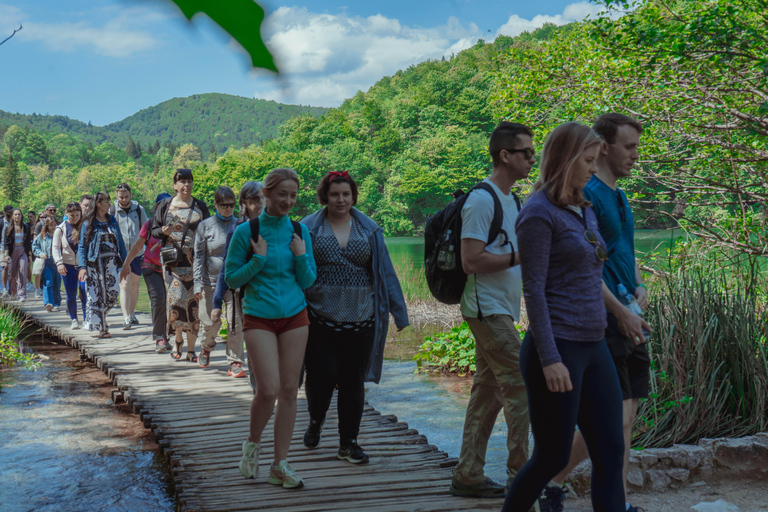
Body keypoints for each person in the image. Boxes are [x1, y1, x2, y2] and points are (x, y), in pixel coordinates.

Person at [502, 122, 627, 512]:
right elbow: (533, 289)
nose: (593, 168)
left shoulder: (582, 207)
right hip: (558, 348)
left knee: (610, 450)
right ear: (566, 159)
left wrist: (622, 310)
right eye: (587, 160)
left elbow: (591, 273)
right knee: (552, 456)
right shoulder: (538, 214)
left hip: (594, 344)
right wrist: (550, 358)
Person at [545, 114, 652, 512]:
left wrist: (639, 285)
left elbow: (624, 252)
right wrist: (619, 312)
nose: (635, 155)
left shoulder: (619, 195)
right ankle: (550, 479)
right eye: (630, 147)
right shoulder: (587, 193)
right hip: (605, 319)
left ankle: (603, 498)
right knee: (612, 421)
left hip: (629, 314)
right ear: (604, 148)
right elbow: (588, 267)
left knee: (625, 419)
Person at [449, 122, 533, 499]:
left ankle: (468, 474)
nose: (532, 159)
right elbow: (470, 260)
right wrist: (519, 256)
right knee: (521, 385)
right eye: (526, 152)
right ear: (505, 155)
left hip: (501, 309)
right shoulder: (482, 200)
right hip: (486, 310)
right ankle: (521, 480)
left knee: (488, 392)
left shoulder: (513, 201)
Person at [301, 170, 409, 464]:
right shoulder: (308, 228)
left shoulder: (369, 229)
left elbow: (385, 272)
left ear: (353, 197)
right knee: (321, 378)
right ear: (325, 196)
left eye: (346, 194)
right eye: (335, 194)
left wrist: (399, 313)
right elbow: (294, 268)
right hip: (319, 318)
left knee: (353, 382)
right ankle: (316, 420)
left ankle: (348, 443)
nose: (341, 200)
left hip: (362, 319)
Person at [227, 167, 316, 489]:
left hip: (295, 316)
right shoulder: (246, 232)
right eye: (282, 194)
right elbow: (232, 279)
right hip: (259, 316)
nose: (288, 201)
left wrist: (301, 256)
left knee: (290, 390)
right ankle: (252, 445)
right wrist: (258, 260)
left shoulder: (299, 231)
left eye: (293, 195)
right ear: (266, 194)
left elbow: (309, 280)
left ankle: (280, 465)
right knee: (268, 390)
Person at [151, 169, 210, 361]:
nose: (187, 185)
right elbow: (154, 230)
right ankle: (178, 340)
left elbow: (209, 229)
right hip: (172, 264)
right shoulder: (165, 206)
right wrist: (163, 232)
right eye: (182, 181)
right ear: (175, 185)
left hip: (196, 264)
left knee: (193, 307)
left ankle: (191, 350)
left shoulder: (200, 206)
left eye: (189, 181)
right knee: (176, 303)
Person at [211, 181, 265, 386]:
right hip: (245, 296)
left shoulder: (276, 226)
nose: (260, 204)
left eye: (263, 198)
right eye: (255, 199)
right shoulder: (239, 230)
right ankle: (258, 390)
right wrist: (217, 302)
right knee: (253, 346)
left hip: (274, 297)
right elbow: (227, 269)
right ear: (244, 203)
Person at [194, 186, 245, 376]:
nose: (228, 209)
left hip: (233, 283)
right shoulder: (205, 226)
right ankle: (206, 347)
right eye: (224, 205)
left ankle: (235, 362)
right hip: (210, 282)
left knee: (235, 323)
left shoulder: (240, 225)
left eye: (231, 205)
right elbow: (198, 258)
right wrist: (198, 283)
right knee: (211, 322)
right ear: (215, 204)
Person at [120, 193, 172, 353]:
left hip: (171, 269)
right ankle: (160, 338)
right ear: (156, 208)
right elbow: (137, 247)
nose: (165, 209)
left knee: (173, 302)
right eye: (162, 206)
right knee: (158, 299)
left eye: (169, 206)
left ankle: (173, 335)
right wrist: (125, 265)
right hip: (151, 267)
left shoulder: (178, 224)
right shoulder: (150, 224)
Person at [77, 192, 127, 339]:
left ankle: (99, 320)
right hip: (94, 264)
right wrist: (82, 267)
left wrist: (125, 262)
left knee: (113, 294)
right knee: (96, 296)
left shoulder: (112, 221)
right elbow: (82, 247)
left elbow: (121, 242)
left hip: (111, 264)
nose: (109, 204)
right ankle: (103, 328)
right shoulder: (87, 223)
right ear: (98, 204)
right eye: (106, 202)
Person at [109, 183, 147, 330]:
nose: (124, 200)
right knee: (124, 284)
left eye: (126, 196)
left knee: (135, 285)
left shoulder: (138, 209)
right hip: (120, 254)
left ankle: (131, 314)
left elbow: (145, 229)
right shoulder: (112, 211)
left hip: (137, 253)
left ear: (130, 195)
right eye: (121, 197)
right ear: (116, 196)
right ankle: (125, 318)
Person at [53, 202, 87, 330]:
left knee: (84, 291)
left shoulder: (85, 226)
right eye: (72, 215)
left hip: (83, 265)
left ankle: (86, 318)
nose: (75, 218)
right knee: (71, 293)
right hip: (67, 265)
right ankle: (74, 319)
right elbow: (55, 248)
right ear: (66, 214)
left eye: (77, 215)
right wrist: (59, 263)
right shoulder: (60, 229)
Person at [33, 212, 63, 313]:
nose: (53, 227)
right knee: (48, 282)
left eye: (55, 225)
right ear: (47, 225)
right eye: (51, 225)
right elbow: (35, 246)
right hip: (47, 261)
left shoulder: (60, 236)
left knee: (57, 283)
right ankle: (48, 303)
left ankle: (56, 303)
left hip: (57, 262)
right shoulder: (42, 236)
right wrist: (41, 253)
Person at [4, 208, 33, 302]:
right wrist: (6, 254)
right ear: (12, 216)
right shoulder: (8, 228)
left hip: (23, 251)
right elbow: (6, 243)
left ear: (21, 216)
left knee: (23, 271)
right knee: (12, 274)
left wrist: (29, 255)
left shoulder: (26, 227)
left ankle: (22, 294)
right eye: (15, 214)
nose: (17, 216)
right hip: (12, 252)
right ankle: (12, 292)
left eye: (19, 214)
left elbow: (28, 242)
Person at [1, 205, 14, 297]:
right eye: (9, 212)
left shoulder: (15, 222)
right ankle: (4, 289)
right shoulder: (1, 222)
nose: (11, 213)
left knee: (13, 269)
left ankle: (12, 289)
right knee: (5, 266)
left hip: (13, 249)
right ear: (5, 212)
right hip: (2, 248)